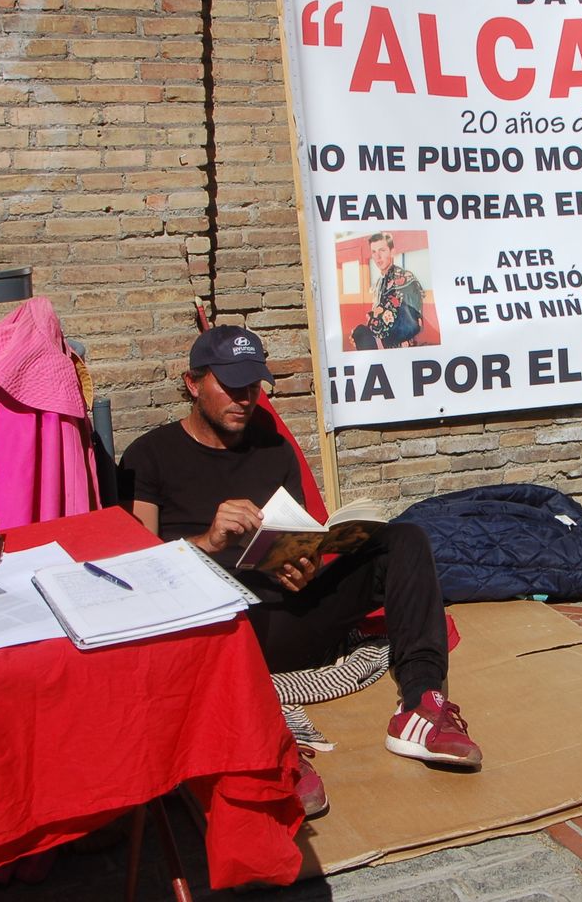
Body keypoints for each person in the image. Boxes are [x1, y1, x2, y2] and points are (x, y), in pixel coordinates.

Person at [120, 325, 480, 817]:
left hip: (289, 615)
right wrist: (207, 541)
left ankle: (421, 707)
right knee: (207, 616)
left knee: (406, 539)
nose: (245, 399)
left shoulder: (274, 447)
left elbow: (299, 532)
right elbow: (135, 570)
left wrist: (307, 565)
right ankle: (269, 747)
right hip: (220, 632)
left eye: (253, 385)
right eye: (230, 385)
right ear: (192, 383)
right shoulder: (147, 455)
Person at [350, 232, 423, 349]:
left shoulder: (405, 278)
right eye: (374, 252)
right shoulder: (379, 282)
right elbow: (378, 315)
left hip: (401, 349)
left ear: (392, 252)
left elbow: (412, 324)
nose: (377, 256)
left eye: (382, 250)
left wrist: (371, 337)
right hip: (382, 347)